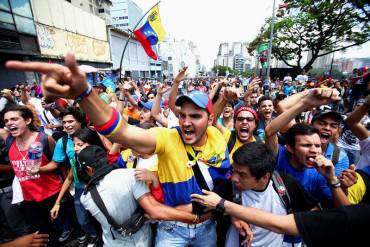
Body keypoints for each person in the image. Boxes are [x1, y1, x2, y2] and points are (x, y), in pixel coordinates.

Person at [6, 54, 231, 247]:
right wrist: (85, 94)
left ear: (210, 119)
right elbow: (122, 132)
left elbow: (225, 186)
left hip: (207, 229)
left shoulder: (219, 140)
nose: (186, 122)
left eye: (195, 116)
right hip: (171, 230)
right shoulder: (168, 137)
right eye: (182, 115)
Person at [77, 145, 201, 246]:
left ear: (89, 169)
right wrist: (195, 218)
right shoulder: (130, 175)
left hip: (113, 243)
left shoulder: (85, 197)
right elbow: (155, 210)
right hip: (143, 240)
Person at [191, 190, 370, 247]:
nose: (234, 177)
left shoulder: (284, 183)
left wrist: (223, 204)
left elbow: (283, 224)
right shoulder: (361, 215)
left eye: (241, 173)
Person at [224, 142, 317, 247]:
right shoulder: (230, 186)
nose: (234, 178)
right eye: (234, 170)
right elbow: (209, 205)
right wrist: (233, 215)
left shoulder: (286, 185)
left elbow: (312, 214)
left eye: (242, 174)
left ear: (264, 177)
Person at [3, 105, 62, 246]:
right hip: (28, 198)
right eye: (6, 121)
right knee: (42, 236)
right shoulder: (9, 141)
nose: (9, 123)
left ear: (28, 120)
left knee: (60, 231)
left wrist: (39, 170)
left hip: (51, 194)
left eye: (14, 119)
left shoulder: (44, 139)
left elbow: (57, 163)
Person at [50, 107, 101, 245]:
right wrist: (57, 202)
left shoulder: (93, 135)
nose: (66, 125)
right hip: (80, 188)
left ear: (80, 121)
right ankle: (93, 235)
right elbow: (69, 175)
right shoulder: (63, 142)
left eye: (70, 121)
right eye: (64, 122)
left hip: (99, 185)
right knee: (82, 220)